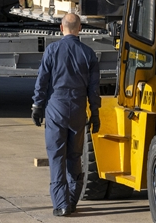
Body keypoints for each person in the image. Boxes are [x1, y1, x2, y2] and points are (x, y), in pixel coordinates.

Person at [31, 12, 101, 216]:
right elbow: (94, 89)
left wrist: (37, 106)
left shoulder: (52, 50)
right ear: (80, 29)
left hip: (56, 110)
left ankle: (61, 203)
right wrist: (95, 113)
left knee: (56, 156)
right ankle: (72, 199)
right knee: (74, 156)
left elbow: (42, 81)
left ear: (61, 28)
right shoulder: (89, 54)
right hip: (78, 110)